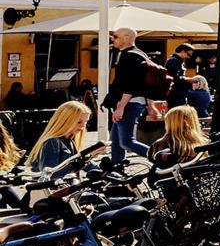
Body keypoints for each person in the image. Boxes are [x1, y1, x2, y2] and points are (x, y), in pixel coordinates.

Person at [102, 27, 161, 163]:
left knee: (127, 142)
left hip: (129, 103)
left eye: (115, 36)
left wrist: (121, 106)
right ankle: (117, 169)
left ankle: (163, 159)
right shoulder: (140, 54)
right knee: (116, 142)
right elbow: (147, 83)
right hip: (133, 102)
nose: (112, 39)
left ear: (127, 38)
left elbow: (129, 85)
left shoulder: (129, 56)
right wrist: (150, 105)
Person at [30, 100, 90, 172]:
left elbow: (88, 165)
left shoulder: (70, 140)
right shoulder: (52, 142)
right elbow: (50, 175)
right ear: (65, 121)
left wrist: (90, 157)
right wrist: (82, 162)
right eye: (79, 122)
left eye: (86, 121)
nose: (83, 125)